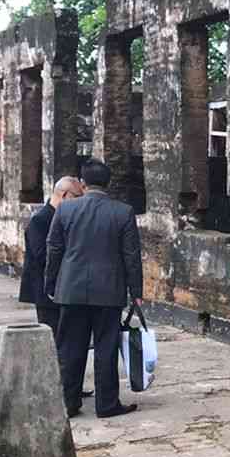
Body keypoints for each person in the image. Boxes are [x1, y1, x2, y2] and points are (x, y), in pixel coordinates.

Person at [44, 159, 144, 420]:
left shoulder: (65, 211)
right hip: (108, 290)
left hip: (71, 288)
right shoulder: (123, 212)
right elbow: (131, 256)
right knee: (105, 347)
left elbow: (53, 248)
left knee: (70, 348)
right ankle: (106, 403)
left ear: (83, 183)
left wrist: (51, 282)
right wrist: (137, 292)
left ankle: (69, 402)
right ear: (108, 184)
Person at [19, 176, 82, 333]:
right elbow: (42, 256)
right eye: (78, 197)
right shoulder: (40, 220)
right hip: (46, 290)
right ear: (65, 195)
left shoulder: (66, 217)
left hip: (66, 288)